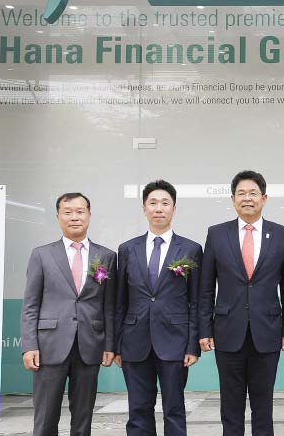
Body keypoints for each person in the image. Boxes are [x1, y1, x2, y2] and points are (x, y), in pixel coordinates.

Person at [199, 170, 284, 436]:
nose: (247, 198)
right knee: (230, 406)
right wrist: (205, 329)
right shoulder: (217, 234)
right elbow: (206, 288)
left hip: (267, 332)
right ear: (232, 199)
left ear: (264, 198)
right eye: (241, 193)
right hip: (227, 331)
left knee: (263, 406)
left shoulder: (282, 234)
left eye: (253, 193)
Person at [20, 192, 116, 436]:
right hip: (49, 346)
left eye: (80, 212)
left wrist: (110, 344)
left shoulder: (106, 256)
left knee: (83, 417)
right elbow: (31, 304)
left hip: (89, 344)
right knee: (45, 417)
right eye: (68, 212)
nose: (75, 217)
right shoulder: (42, 254)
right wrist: (29, 345)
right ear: (58, 217)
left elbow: (108, 306)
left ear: (89, 215)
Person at [114, 180, 202, 436]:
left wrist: (192, 345)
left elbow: (196, 302)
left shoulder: (191, 249)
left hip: (175, 342)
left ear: (174, 208)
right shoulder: (127, 249)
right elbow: (120, 302)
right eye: (152, 203)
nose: (159, 208)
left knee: (174, 409)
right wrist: (117, 344)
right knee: (138, 410)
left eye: (165, 203)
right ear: (144, 208)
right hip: (134, 341)